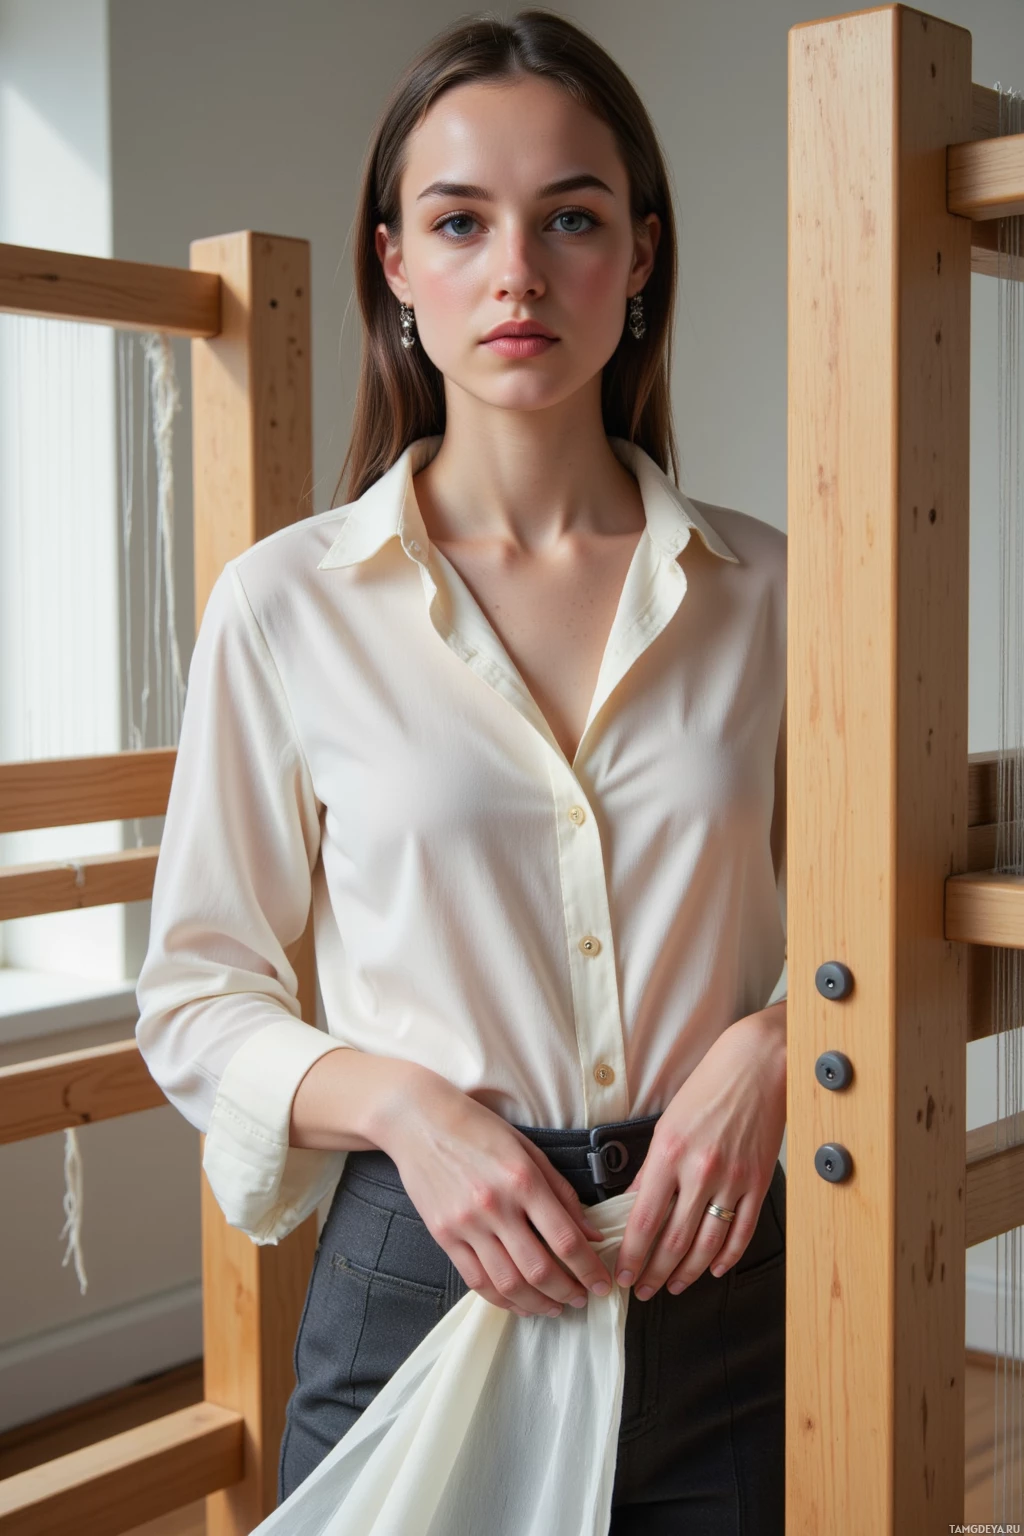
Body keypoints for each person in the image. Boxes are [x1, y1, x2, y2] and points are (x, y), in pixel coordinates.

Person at [135, 9, 789, 1532]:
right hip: (421, 1270)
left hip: (725, 1273)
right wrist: (416, 1114)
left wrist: (774, 1042)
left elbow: (874, 924)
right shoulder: (285, 603)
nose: (518, 270)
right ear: (395, 264)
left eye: (572, 217)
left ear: (639, 258)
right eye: (460, 220)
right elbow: (196, 999)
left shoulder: (774, 590)